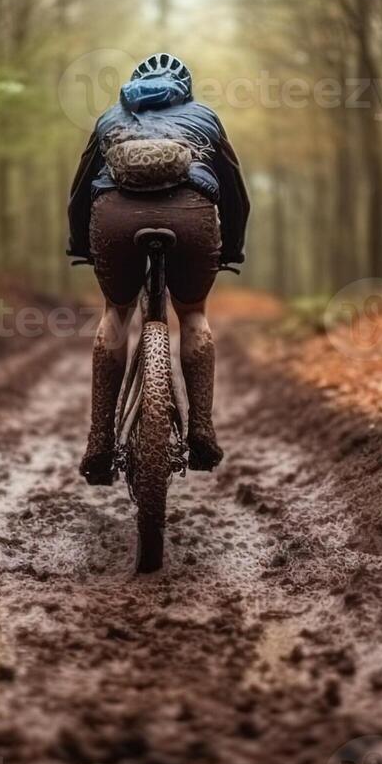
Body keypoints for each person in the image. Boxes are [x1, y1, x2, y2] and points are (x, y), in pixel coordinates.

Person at [67, 53, 250, 486]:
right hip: (192, 217)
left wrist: (81, 244)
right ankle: (201, 428)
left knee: (115, 313)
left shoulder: (110, 116)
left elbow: (79, 191)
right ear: (184, 89)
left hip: (115, 218)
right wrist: (232, 248)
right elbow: (235, 193)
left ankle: (99, 439)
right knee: (192, 314)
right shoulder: (205, 116)